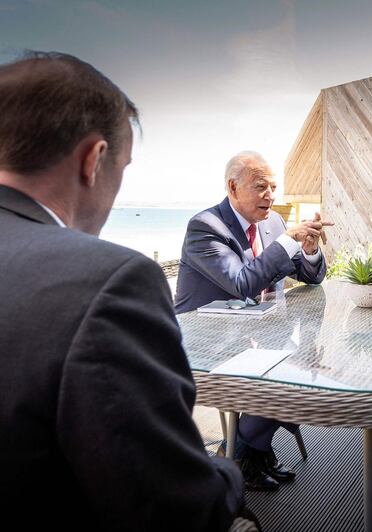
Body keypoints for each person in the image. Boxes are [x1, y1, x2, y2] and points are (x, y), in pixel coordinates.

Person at [0, 51, 250, 531]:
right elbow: (175, 507)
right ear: (94, 160)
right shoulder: (107, 281)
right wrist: (227, 470)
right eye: (124, 167)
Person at [174, 151, 332, 491]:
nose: (271, 196)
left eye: (274, 187)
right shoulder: (205, 227)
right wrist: (288, 241)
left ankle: (248, 450)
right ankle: (244, 453)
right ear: (233, 187)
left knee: (306, 365)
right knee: (286, 373)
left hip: (259, 335)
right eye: (261, 187)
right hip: (207, 343)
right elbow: (243, 283)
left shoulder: (272, 222)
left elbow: (312, 276)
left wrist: (308, 247)